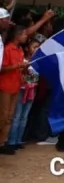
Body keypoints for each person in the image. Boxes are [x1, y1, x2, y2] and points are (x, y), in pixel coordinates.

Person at [0, 25, 28, 154]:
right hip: (5, 86)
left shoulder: (20, 49)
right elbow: (3, 68)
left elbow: (18, 68)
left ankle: (3, 142)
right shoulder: (7, 49)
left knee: (9, 116)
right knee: (3, 115)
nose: (26, 36)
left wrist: (24, 69)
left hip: (15, 85)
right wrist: (18, 66)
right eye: (24, 34)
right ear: (17, 36)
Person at [8, 38, 40, 149]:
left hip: (32, 90)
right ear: (27, 48)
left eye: (38, 47)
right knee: (17, 116)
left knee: (24, 116)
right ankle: (11, 141)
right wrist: (25, 70)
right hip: (22, 90)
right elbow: (20, 75)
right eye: (34, 47)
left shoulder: (37, 62)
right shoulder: (23, 60)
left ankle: (18, 141)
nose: (36, 49)